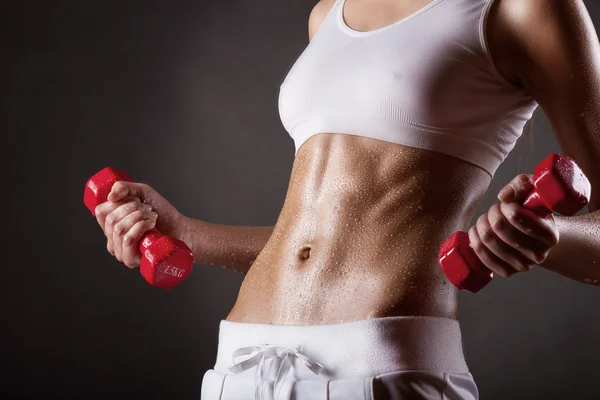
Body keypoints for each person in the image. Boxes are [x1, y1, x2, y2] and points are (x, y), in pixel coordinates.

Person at [93, 0, 600, 398]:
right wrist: (188, 234)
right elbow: (334, 238)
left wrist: (546, 238)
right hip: (243, 366)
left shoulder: (524, 7)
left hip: (379, 365)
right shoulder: (328, 15)